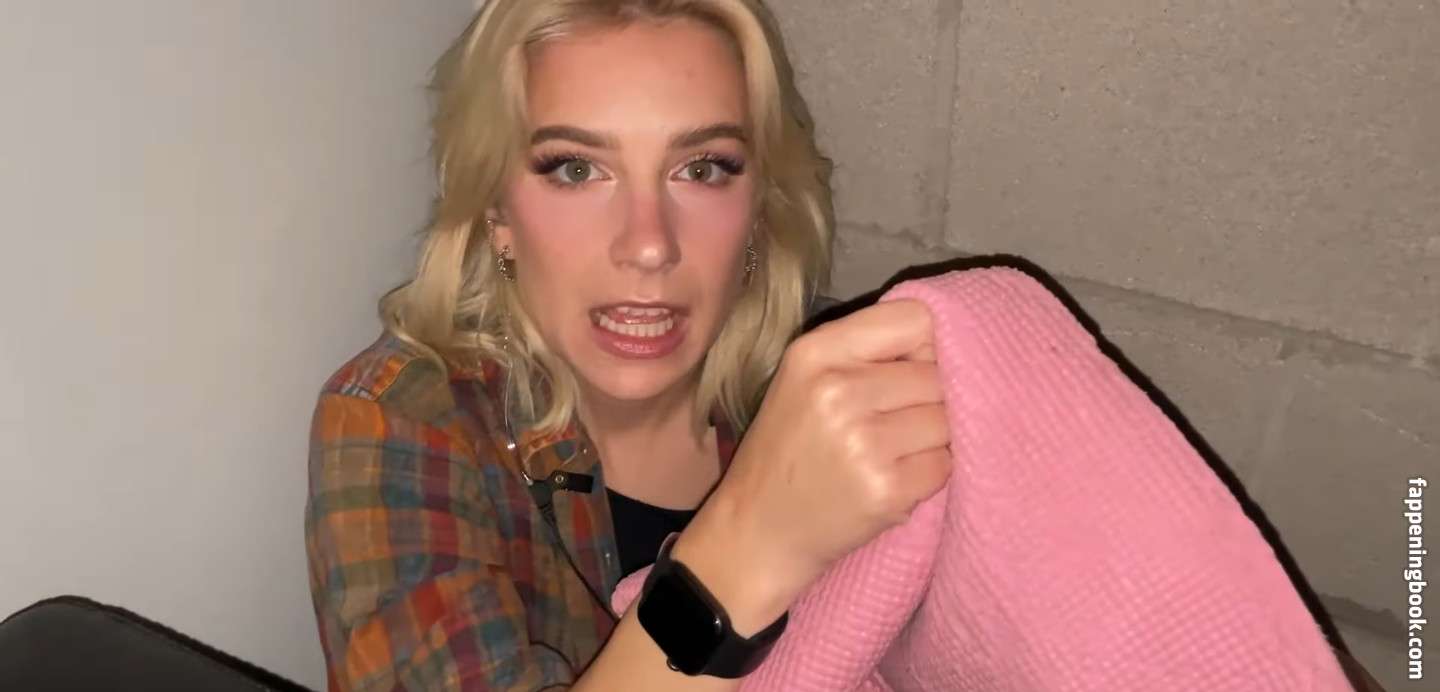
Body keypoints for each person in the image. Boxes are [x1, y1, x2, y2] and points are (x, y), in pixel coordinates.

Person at [304, 1, 952, 690]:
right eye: (576, 170)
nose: (648, 245)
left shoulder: (844, 386)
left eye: (702, 169)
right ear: (497, 214)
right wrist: (756, 541)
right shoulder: (401, 422)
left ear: (760, 210)